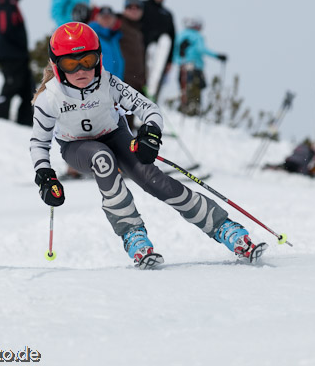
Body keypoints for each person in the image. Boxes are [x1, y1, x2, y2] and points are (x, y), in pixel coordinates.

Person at [29, 22, 265, 268]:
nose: (80, 69)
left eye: (87, 60)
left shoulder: (108, 83)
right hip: (77, 147)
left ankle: (225, 227)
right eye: (70, 63)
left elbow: (148, 108)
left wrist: (150, 133)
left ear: (98, 59)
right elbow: (39, 142)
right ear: (57, 67)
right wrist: (45, 175)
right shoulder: (49, 99)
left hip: (115, 136)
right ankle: (133, 234)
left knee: (155, 180)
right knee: (102, 159)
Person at [0, 0, 34, 126]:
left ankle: (26, 120)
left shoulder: (11, 2)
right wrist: (19, 45)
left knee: (27, 87)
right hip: (11, 54)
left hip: (17, 54)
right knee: (12, 85)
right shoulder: (5, 3)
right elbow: (5, 29)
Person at [174, 17, 227, 116]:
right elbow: (201, 49)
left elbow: (174, 51)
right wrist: (217, 56)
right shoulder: (197, 36)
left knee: (184, 89)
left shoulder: (180, 35)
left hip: (182, 66)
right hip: (195, 67)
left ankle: (183, 110)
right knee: (195, 90)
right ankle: (192, 113)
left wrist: (177, 61)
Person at [141, 0, 175, 101]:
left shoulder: (167, 14)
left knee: (155, 81)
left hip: (160, 56)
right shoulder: (143, 6)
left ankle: (151, 100)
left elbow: (172, 36)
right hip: (143, 52)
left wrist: (170, 61)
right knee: (141, 80)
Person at [118, 0, 147, 131]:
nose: (134, 10)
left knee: (130, 121)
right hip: (122, 82)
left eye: (137, 7)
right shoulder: (119, 25)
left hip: (137, 82)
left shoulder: (139, 30)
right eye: (130, 7)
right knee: (121, 121)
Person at [89, 6, 124, 79]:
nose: (106, 20)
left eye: (109, 17)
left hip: (116, 84)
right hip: (99, 84)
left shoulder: (115, 37)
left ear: (114, 19)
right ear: (97, 18)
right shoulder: (91, 36)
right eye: (103, 17)